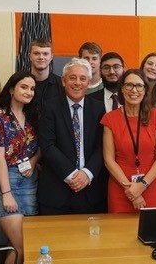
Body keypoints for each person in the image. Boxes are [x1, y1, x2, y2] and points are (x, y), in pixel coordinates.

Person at [0, 71, 40, 264]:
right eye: (24, 87)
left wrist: (34, 162)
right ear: (11, 89)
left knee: (21, 245)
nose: (29, 92)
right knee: (21, 245)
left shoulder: (33, 115)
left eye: (32, 89)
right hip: (6, 181)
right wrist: (7, 193)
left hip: (30, 183)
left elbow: (40, 148)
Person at [37, 58, 107, 214]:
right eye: (72, 77)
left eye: (83, 79)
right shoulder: (50, 107)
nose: (77, 83)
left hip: (90, 190)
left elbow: (102, 146)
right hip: (56, 191)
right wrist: (72, 174)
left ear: (88, 83)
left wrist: (87, 173)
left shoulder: (98, 108)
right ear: (63, 81)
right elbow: (47, 145)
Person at [102, 69, 156, 213]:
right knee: (120, 233)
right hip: (121, 187)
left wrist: (141, 186)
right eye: (129, 85)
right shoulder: (110, 119)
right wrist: (131, 190)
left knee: (152, 232)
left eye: (139, 85)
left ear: (145, 90)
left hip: (150, 185)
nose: (134, 90)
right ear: (122, 89)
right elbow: (109, 160)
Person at [28, 39, 62, 111]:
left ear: (51, 57)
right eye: (36, 53)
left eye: (45, 54)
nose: (41, 57)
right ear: (30, 56)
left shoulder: (62, 85)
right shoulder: (19, 83)